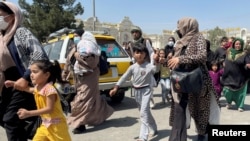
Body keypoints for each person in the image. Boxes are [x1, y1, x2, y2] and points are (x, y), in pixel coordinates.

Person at [0, 1, 49, 141]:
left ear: (11, 16)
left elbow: (39, 55)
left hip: (23, 82)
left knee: (10, 119)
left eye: (0, 15)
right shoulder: (2, 38)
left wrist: (26, 77)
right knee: (5, 117)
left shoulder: (20, 33)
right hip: (7, 85)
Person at [167, 17, 220, 141]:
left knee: (200, 109)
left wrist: (180, 59)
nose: (179, 29)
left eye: (180, 26)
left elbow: (202, 56)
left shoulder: (198, 37)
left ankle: (202, 134)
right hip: (182, 79)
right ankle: (179, 136)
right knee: (181, 108)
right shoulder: (181, 41)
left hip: (198, 80)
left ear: (188, 26)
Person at [5, 60, 72, 141]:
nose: (31, 75)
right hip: (45, 126)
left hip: (57, 127)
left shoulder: (49, 90)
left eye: (35, 72)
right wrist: (14, 83)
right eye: (31, 72)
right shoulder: (38, 87)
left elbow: (49, 109)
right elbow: (29, 89)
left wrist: (29, 113)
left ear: (46, 74)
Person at [65, 31, 114, 134]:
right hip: (79, 79)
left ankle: (80, 124)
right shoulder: (75, 47)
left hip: (89, 77)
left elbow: (91, 62)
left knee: (82, 100)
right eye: (74, 36)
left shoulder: (89, 47)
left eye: (77, 36)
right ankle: (102, 115)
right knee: (94, 99)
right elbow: (69, 61)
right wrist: (65, 72)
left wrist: (77, 55)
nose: (75, 38)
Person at [109, 43, 158, 141]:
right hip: (137, 92)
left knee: (143, 113)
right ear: (134, 54)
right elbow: (124, 77)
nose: (139, 55)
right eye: (137, 52)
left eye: (142, 52)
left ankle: (143, 137)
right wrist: (116, 87)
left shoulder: (149, 66)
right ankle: (154, 127)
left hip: (146, 91)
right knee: (145, 112)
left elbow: (156, 70)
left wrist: (158, 61)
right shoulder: (132, 67)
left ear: (145, 54)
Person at [130, 26, 159, 108]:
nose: (134, 34)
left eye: (136, 32)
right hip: (137, 66)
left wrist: (152, 65)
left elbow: (151, 53)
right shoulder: (131, 43)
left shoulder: (145, 41)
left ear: (140, 33)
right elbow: (133, 56)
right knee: (138, 84)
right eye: (133, 32)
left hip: (146, 65)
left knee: (148, 84)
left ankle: (150, 99)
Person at [221, 38, 250, 112]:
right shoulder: (228, 51)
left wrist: (248, 64)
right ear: (234, 44)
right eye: (237, 44)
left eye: (240, 44)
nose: (238, 45)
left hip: (239, 77)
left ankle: (240, 106)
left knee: (241, 92)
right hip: (228, 76)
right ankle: (229, 102)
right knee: (226, 90)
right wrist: (223, 62)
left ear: (242, 45)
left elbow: (247, 61)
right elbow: (222, 57)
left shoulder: (244, 54)